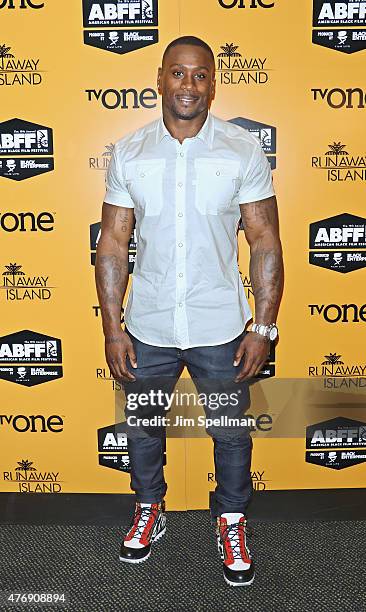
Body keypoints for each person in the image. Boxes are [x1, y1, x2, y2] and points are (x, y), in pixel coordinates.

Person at [95, 35, 283, 587]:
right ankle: (149, 509)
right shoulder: (130, 152)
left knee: (229, 432)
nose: (189, 85)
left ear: (213, 83)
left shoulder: (242, 150)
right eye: (178, 73)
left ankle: (230, 519)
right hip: (149, 323)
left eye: (200, 75)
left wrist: (264, 326)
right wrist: (113, 328)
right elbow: (111, 244)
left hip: (221, 323)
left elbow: (266, 241)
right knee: (145, 427)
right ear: (160, 78)